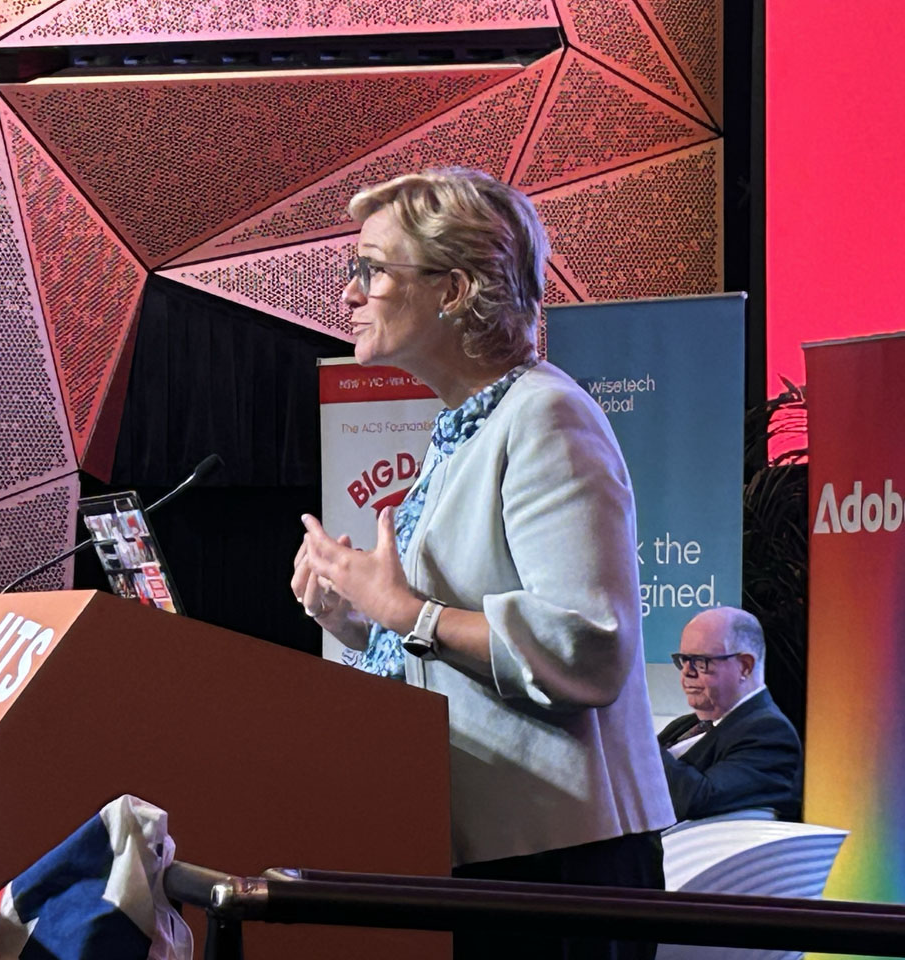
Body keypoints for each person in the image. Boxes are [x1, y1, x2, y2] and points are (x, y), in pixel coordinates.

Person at [292, 169, 673, 959]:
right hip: (486, 854)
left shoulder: (547, 415)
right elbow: (450, 644)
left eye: (372, 270)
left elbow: (587, 647)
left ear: (454, 289)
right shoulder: (464, 428)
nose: (349, 294)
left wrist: (406, 612)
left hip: (559, 866)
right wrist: (357, 618)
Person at [659, 607, 802, 821]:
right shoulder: (686, 724)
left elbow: (700, 800)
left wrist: (637, 742)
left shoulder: (770, 733)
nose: (686, 672)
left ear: (745, 666)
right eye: (683, 659)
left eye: (700, 662)